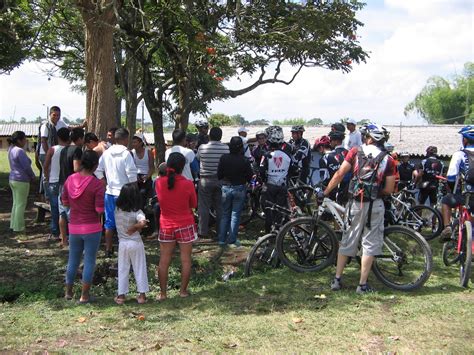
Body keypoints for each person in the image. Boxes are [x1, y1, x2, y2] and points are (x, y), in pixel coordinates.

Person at [323, 123, 396, 293]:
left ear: (368, 137)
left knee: (348, 239)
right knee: (369, 244)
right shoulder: (388, 159)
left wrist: (326, 192)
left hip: (355, 202)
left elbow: (340, 174)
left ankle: (337, 279)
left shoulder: (355, 151)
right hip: (375, 204)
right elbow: (389, 189)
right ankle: (362, 285)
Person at [62, 150, 105, 303]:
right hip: (92, 227)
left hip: (74, 226)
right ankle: (84, 295)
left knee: (72, 260)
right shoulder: (96, 184)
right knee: (89, 261)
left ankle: (68, 293)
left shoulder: (70, 180)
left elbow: (65, 202)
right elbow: (100, 209)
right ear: (95, 165)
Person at [155, 153, 197, 300]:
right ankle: (183, 291)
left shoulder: (159, 183)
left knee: (164, 260)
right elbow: (194, 204)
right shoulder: (188, 184)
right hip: (185, 224)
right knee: (186, 259)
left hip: (166, 224)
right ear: (183, 166)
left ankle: (163, 293)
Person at [95, 128, 138, 256]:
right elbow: (132, 176)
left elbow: (97, 170)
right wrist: (134, 191)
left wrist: (104, 182)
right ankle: (124, 249)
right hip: (125, 193)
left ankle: (108, 249)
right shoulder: (126, 154)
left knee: (109, 222)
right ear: (125, 139)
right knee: (126, 221)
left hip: (110, 192)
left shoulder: (107, 153)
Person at [114, 183, 149, 305]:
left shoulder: (117, 210)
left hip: (122, 244)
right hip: (135, 242)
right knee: (139, 268)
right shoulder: (137, 212)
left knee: (123, 269)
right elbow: (143, 222)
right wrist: (136, 227)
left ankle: (121, 295)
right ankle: (142, 295)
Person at [439, 126, 474, 241]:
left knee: (446, 201)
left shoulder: (459, 154)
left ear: (465, 140)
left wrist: (454, 190)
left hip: (465, 195)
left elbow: (451, 177)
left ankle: (447, 227)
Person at [217, 137, 253, 247]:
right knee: (235, 215)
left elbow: (219, 175)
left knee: (224, 214)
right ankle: (232, 240)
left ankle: (221, 239)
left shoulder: (224, 158)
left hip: (226, 187)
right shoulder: (244, 160)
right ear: (241, 148)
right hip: (239, 188)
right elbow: (249, 176)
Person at [196, 127, 230, 239]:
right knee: (220, 207)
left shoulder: (202, 148)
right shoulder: (226, 148)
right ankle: (220, 231)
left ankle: (203, 231)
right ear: (220, 136)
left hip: (205, 179)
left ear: (209, 136)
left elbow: (198, 159)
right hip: (220, 180)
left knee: (203, 207)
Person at [259, 127, 292, 233]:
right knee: (279, 211)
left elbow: (261, 170)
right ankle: (277, 232)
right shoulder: (287, 155)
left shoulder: (267, 155)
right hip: (282, 186)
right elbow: (293, 168)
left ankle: (268, 235)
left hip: (270, 186)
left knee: (268, 210)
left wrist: (264, 181)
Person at [58, 128, 84, 247]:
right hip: (72, 185)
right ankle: (75, 241)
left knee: (62, 213)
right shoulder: (77, 150)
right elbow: (76, 168)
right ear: (79, 138)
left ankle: (64, 240)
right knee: (72, 215)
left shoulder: (64, 149)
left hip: (61, 183)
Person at [43, 127, 71, 241]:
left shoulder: (52, 149)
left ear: (57, 137)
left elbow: (45, 165)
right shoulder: (70, 150)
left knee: (54, 209)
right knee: (67, 209)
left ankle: (55, 231)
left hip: (53, 182)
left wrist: (47, 176)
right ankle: (68, 232)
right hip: (66, 182)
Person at [8, 131, 36, 234]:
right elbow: (26, 167)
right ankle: (19, 227)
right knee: (21, 204)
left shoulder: (10, 149)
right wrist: (32, 176)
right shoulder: (20, 151)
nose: (25, 141)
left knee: (16, 203)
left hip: (13, 178)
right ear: (19, 140)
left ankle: (13, 224)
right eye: (24, 139)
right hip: (21, 180)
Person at [319, 130, 348, 203]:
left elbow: (324, 178)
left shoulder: (327, 156)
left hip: (334, 190)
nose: (330, 142)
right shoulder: (349, 153)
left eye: (331, 140)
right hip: (349, 189)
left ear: (336, 141)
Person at [131, 132, 155, 211]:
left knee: (143, 192)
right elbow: (131, 167)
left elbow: (152, 168)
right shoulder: (131, 153)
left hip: (146, 176)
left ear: (141, 143)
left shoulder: (148, 152)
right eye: (133, 142)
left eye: (135, 142)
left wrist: (147, 176)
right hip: (135, 176)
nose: (133, 144)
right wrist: (135, 176)